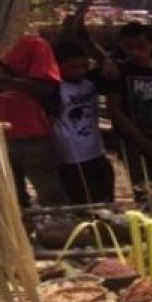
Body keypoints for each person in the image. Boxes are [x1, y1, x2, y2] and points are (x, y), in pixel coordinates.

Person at [0, 0, 67, 208]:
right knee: (9, 200)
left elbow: (45, 87)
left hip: (31, 133)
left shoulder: (33, 45)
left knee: (50, 195)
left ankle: (59, 235)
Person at [106, 23, 152, 187]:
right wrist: (142, 141)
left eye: (141, 46)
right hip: (133, 143)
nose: (135, 52)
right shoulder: (119, 71)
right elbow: (114, 109)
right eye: (128, 47)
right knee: (144, 188)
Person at [50, 39, 114, 205]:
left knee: (104, 201)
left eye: (84, 66)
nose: (80, 71)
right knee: (80, 203)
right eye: (74, 67)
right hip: (70, 158)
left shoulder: (90, 83)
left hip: (96, 152)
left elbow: (108, 64)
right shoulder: (54, 89)